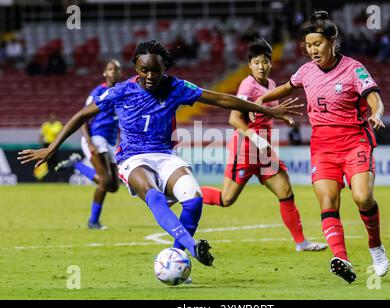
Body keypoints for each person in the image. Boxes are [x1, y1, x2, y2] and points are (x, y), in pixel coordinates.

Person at [18, 40, 301, 268]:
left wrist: (267, 110)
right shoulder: (121, 91)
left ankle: (177, 260)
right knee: (152, 194)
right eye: (144, 70)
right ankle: (192, 248)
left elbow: (220, 98)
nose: (150, 76)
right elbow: (82, 114)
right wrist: (51, 147)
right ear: (136, 67)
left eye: (156, 70)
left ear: (164, 67)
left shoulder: (176, 87)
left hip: (165, 156)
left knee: (194, 200)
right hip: (132, 159)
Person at [256, 12, 389, 283]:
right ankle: (341, 257)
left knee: (363, 197)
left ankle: (375, 246)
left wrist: (377, 113)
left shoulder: (354, 68)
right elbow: (285, 88)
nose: (313, 50)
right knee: (328, 201)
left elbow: (373, 97)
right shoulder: (305, 71)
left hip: (354, 141)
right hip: (322, 146)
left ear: (332, 41)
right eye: (308, 45)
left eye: (317, 44)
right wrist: (258, 102)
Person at [201, 38, 327, 252]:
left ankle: (301, 242)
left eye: (266, 62)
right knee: (226, 198)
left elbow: (266, 114)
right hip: (246, 149)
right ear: (250, 64)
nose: (262, 66)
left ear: (270, 63)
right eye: (257, 62)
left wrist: (283, 119)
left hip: (265, 151)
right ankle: (184, 192)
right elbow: (234, 118)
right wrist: (255, 137)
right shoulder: (247, 85)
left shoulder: (271, 85)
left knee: (285, 191)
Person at [55, 59, 122, 230]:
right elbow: (83, 117)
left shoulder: (122, 92)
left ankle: (76, 163)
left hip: (111, 141)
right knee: (105, 180)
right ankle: (93, 221)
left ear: (120, 74)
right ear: (105, 73)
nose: (114, 72)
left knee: (113, 186)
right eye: (110, 69)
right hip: (96, 137)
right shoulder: (98, 91)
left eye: (117, 70)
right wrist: (90, 142)